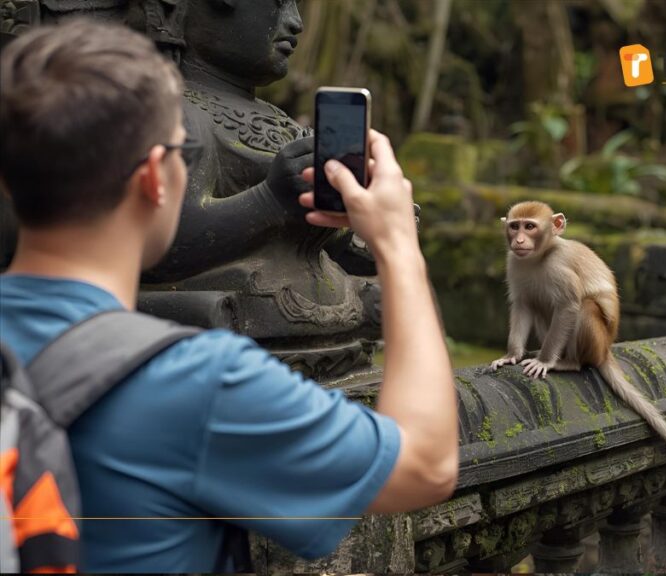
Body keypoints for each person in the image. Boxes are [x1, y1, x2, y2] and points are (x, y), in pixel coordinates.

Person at [0, 18, 457, 573]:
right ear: (155, 178)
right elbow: (426, 465)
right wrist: (398, 246)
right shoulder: (196, 383)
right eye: (182, 153)